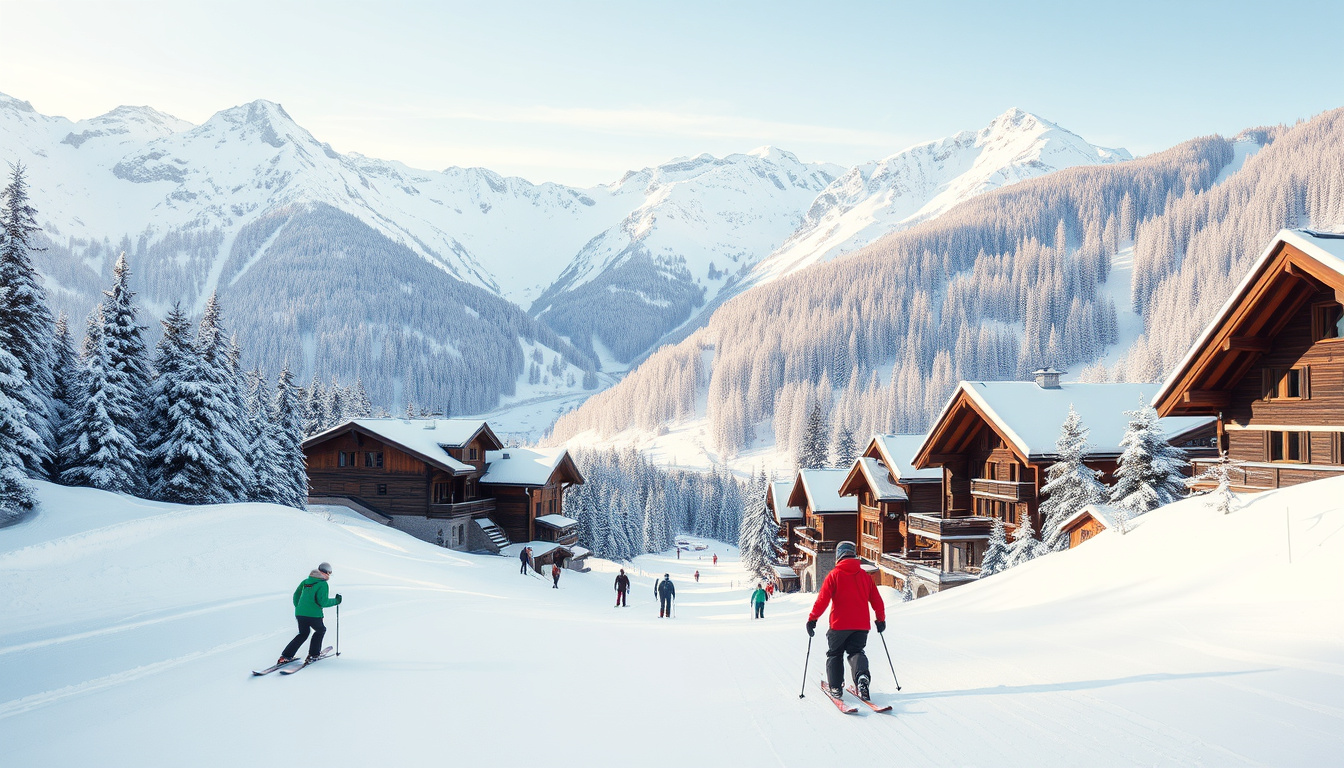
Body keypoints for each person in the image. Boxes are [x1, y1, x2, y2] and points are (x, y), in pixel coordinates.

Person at [805, 541, 885, 701]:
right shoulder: (865, 576)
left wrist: (812, 619)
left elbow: (822, 600)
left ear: (838, 556)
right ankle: (862, 677)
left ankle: (835, 687)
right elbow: (877, 600)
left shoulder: (834, 575)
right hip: (861, 626)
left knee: (835, 654)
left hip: (839, 625)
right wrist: (880, 619)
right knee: (856, 652)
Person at [278, 562, 343, 665]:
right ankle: (313, 654)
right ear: (324, 572)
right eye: (329, 573)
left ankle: (286, 656)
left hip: (300, 614)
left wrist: (299, 607)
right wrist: (336, 601)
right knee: (320, 630)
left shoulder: (306, 581)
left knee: (303, 634)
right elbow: (323, 602)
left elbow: (296, 595)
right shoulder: (322, 584)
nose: (329, 575)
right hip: (314, 615)